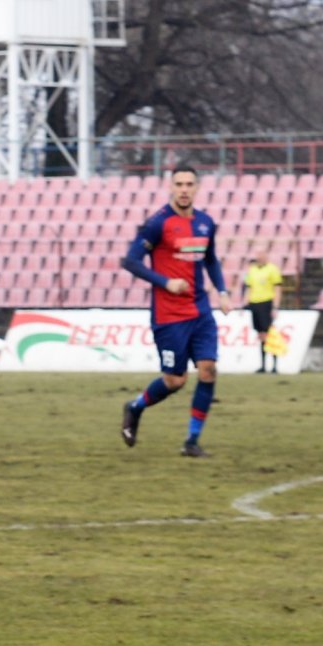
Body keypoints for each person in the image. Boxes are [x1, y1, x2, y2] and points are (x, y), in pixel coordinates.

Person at [119, 167, 228, 457]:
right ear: (170, 186)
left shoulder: (205, 223)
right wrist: (165, 282)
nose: (184, 189)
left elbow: (211, 260)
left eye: (189, 184)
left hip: (200, 312)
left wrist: (223, 291)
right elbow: (130, 261)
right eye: (179, 184)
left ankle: (191, 441)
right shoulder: (158, 223)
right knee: (175, 380)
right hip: (169, 317)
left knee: (208, 370)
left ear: (197, 187)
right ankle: (135, 407)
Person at [240, 246, 284, 373]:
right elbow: (248, 288)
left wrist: (275, 306)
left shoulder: (273, 269)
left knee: (269, 334)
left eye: (261, 254)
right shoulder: (252, 270)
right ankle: (263, 365)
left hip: (266, 303)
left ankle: (274, 365)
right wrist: (244, 303)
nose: (259, 256)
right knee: (260, 335)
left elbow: (277, 288)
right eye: (258, 254)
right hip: (254, 304)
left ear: (266, 256)